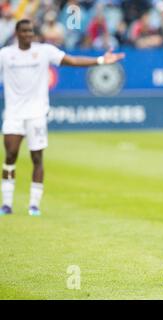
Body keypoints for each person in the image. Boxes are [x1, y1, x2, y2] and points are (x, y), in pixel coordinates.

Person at [0, 19, 125, 216]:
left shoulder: (44, 51)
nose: (27, 35)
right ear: (16, 33)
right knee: (10, 156)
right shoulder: (6, 55)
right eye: (23, 31)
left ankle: (34, 204)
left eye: (30, 31)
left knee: (37, 158)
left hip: (36, 114)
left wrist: (100, 60)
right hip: (13, 114)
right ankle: (6, 203)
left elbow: (72, 61)